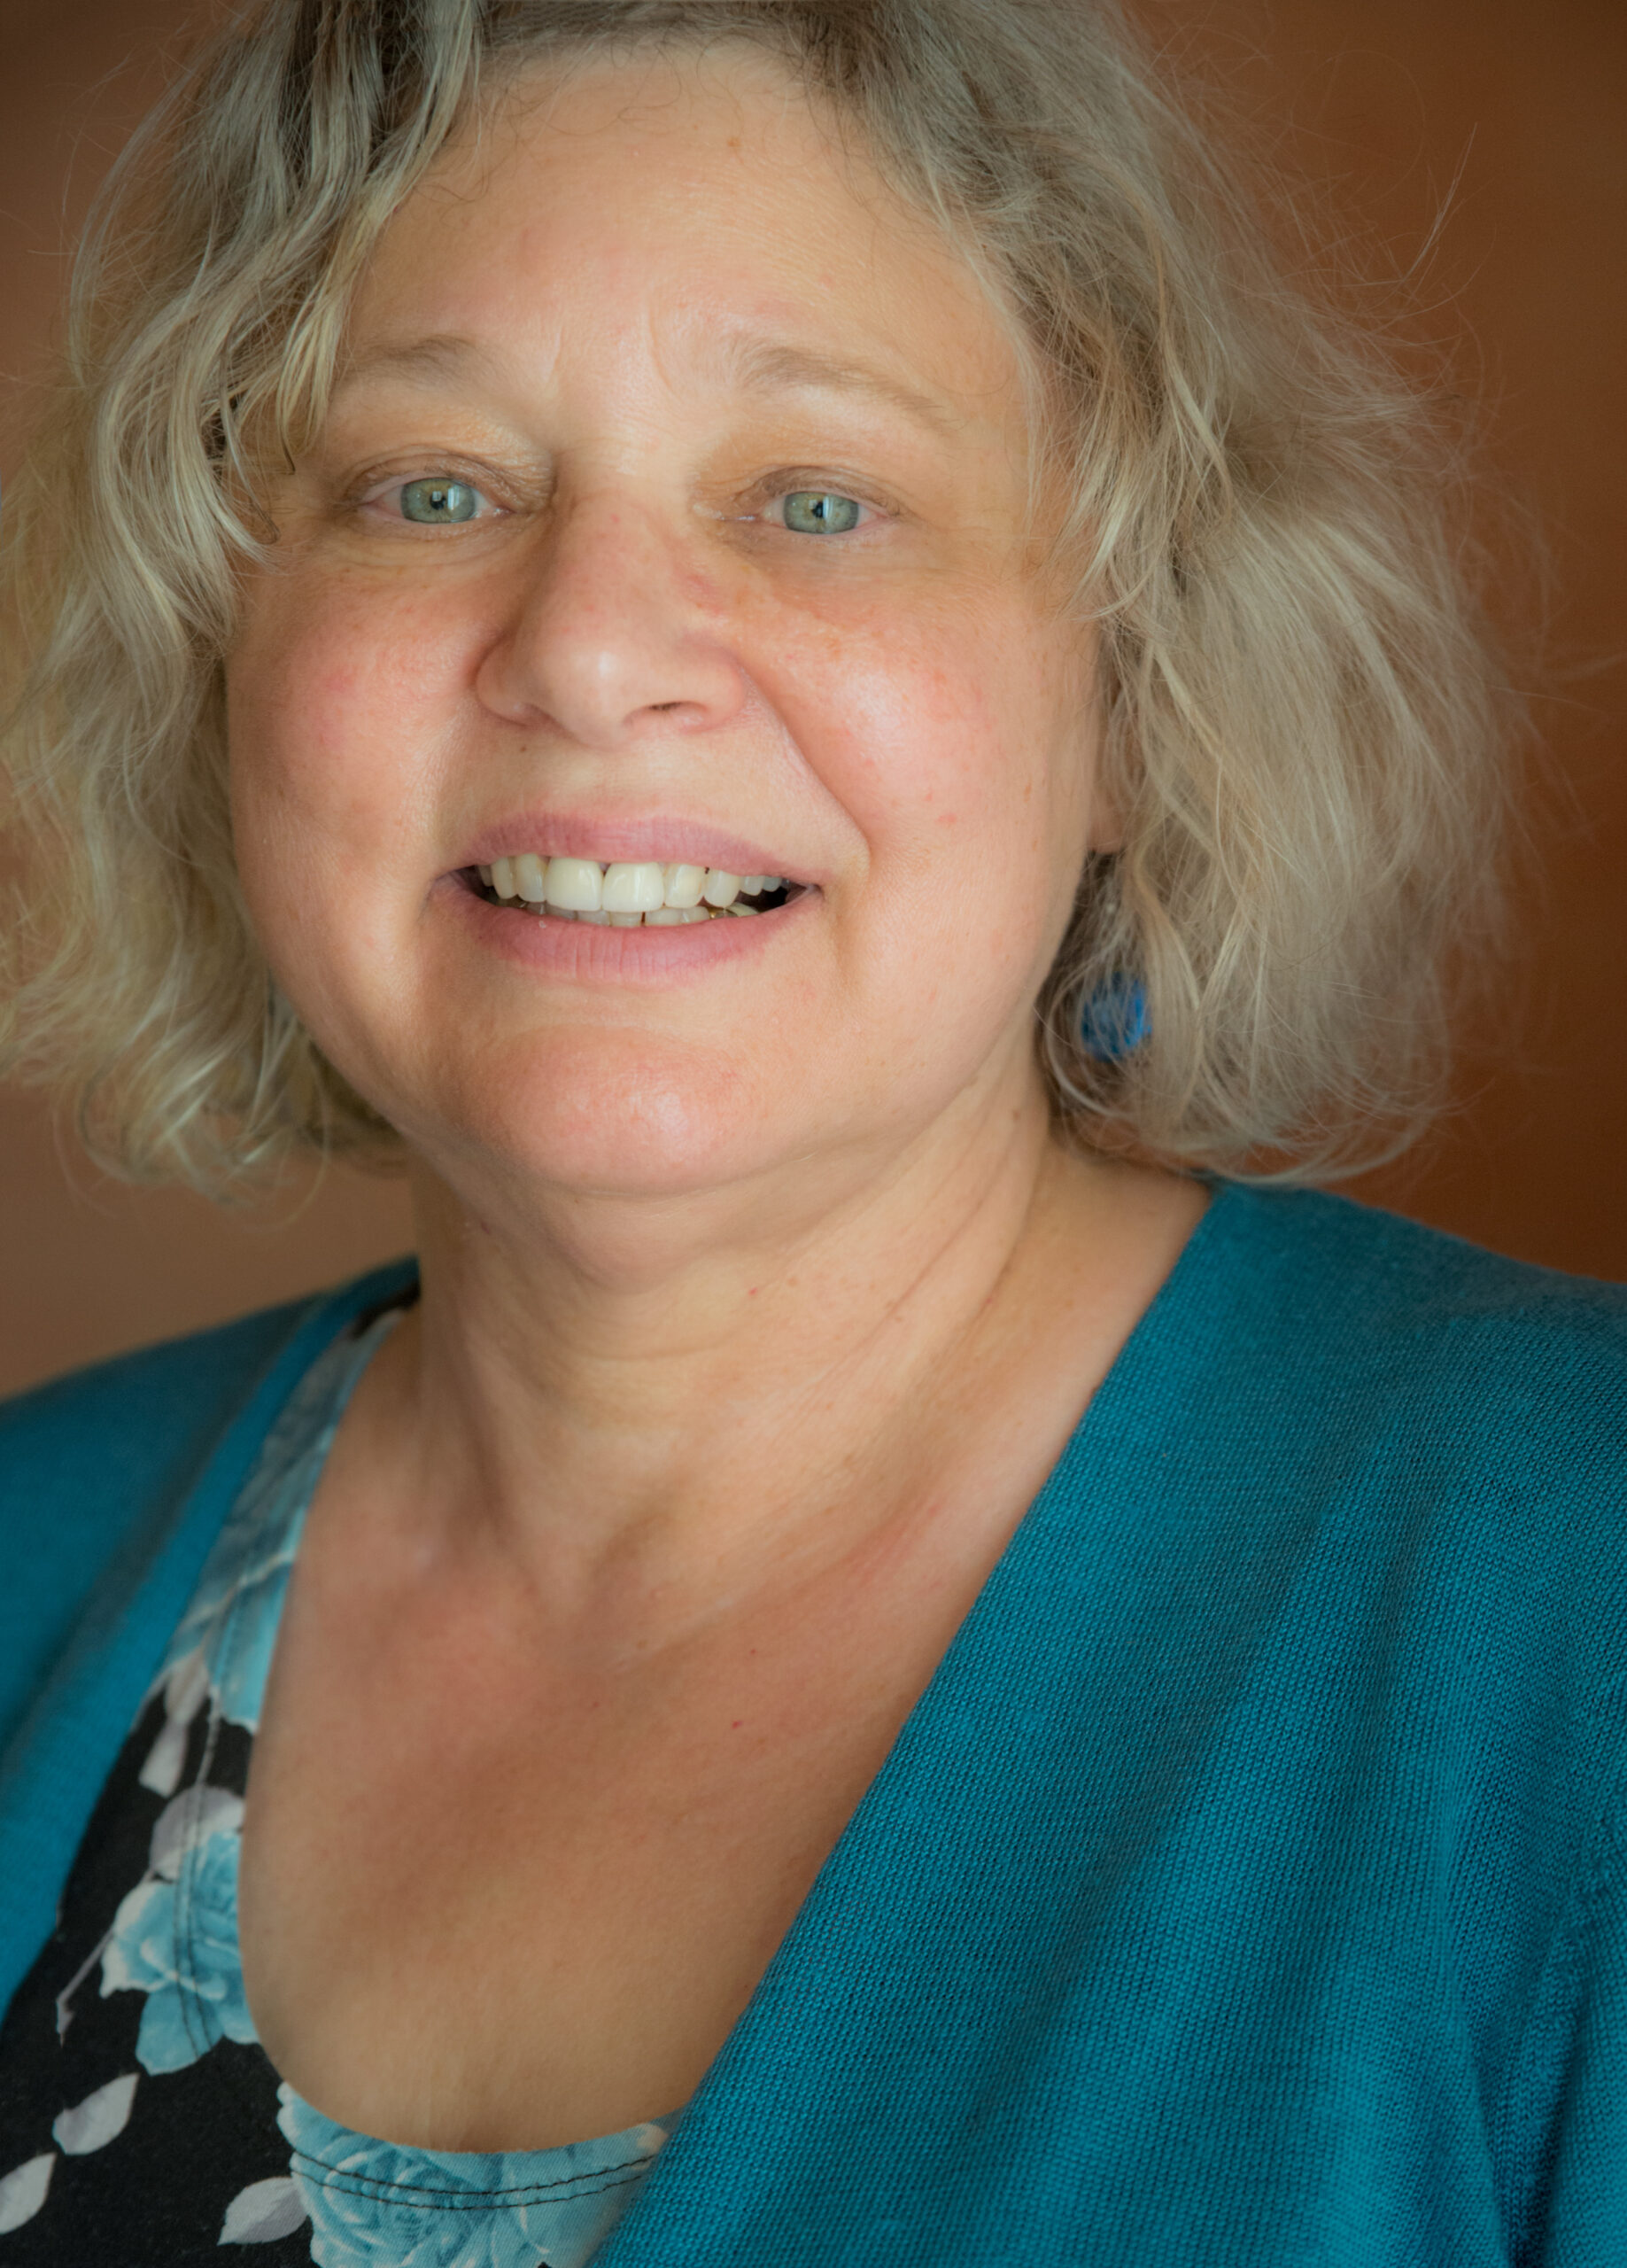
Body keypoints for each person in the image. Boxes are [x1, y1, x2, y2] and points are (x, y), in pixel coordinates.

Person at [0, 1, 1622, 2261]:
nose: (590, 650)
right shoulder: (27, 1542)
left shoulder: (1568, 1599)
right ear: (223, 663)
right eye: (432, 487)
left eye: (816, 500)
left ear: (1132, 687)